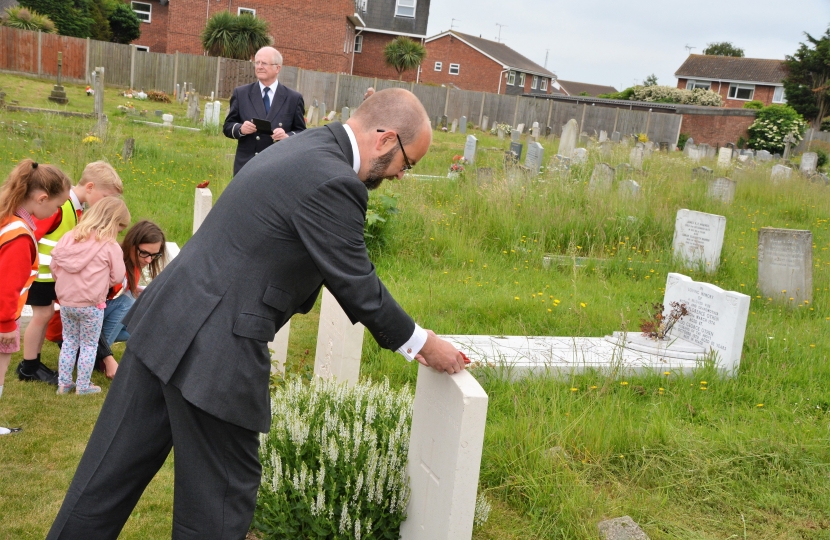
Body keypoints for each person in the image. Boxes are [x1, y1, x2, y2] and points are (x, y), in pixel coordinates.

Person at [47, 88, 467, 539]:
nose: (404, 175)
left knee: (105, 480)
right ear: (386, 139)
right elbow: (357, 281)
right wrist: (423, 343)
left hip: (167, 319)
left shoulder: (304, 145)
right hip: (218, 348)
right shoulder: (335, 180)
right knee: (219, 505)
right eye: (411, 162)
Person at [19, 161, 123, 385]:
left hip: (51, 276)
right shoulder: (61, 207)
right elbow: (31, 234)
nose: (107, 204)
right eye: (106, 197)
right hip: (40, 274)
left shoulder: (74, 209)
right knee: (41, 316)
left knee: (45, 315)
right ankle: (29, 367)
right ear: (90, 187)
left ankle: (33, 363)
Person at [0, 160, 71, 434]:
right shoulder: (20, 236)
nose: (56, 212)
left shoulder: (7, 216)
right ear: (41, 198)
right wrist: (6, 326)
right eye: (56, 207)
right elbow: (6, 286)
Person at [50, 198, 129, 395]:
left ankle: (64, 383)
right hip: (92, 305)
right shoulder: (110, 246)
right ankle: (83, 386)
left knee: (69, 342)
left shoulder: (69, 237)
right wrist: (104, 284)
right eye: (119, 228)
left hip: (67, 302)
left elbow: (55, 266)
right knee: (88, 345)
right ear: (113, 223)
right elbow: (118, 275)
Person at [97, 220, 166, 378]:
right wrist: (107, 357)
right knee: (128, 303)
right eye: (145, 253)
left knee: (145, 326)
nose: (149, 260)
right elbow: (91, 312)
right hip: (77, 325)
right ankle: (98, 357)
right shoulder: (112, 265)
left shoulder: (132, 263)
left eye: (154, 255)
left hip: (92, 322)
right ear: (131, 244)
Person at [223, 46, 306, 176]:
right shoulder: (241, 93)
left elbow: (301, 132)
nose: (259, 66)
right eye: (257, 62)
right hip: (247, 166)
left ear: (277, 68)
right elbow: (227, 126)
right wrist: (241, 129)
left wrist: (287, 136)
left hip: (278, 166)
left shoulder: (293, 98)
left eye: (264, 63)